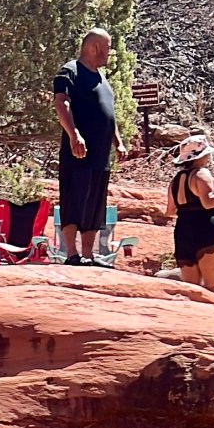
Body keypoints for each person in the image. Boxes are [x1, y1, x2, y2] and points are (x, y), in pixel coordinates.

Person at [54, 28, 126, 265]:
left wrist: (118, 142)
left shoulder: (103, 79)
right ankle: (72, 254)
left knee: (95, 203)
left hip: (100, 155)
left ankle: (88, 254)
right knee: (74, 198)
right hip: (78, 151)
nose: (109, 52)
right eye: (107, 47)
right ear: (94, 47)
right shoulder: (71, 71)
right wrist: (74, 134)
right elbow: (62, 103)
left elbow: (109, 115)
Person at [166, 134, 214, 293]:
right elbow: (208, 202)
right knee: (210, 288)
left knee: (191, 290)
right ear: (202, 155)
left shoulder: (175, 181)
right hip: (204, 231)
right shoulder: (202, 174)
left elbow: (170, 211)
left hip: (182, 233)